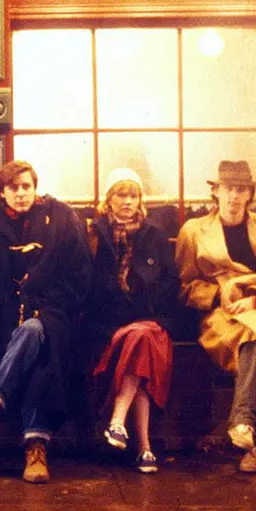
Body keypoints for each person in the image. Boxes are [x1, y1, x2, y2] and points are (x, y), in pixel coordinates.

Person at [0, 159, 91, 484]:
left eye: (26, 187)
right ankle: (36, 447)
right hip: (6, 317)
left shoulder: (60, 218)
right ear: (3, 192)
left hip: (56, 313)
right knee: (34, 347)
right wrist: (8, 308)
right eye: (13, 188)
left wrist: (43, 302)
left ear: (35, 187)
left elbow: (79, 276)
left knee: (36, 330)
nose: (20, 194)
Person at [175, 160, 256, 474]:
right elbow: (184, 286)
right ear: (215, 192)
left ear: (249, 194)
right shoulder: (194, 230)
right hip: (219, 314)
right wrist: (219, 295)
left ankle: (243, 424)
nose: (233, 196)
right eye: (227, 188)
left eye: (240, 189)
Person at [85, 168, 180, 474]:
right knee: (140, 355)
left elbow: (170, 280)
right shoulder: (95, 236)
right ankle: (145, 449)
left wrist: (145, 304)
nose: (127, 201)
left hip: (151, 320)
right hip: (110, 326)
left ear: (141, 200)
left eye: (133, 195)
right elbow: (88, 285)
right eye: (120, 195)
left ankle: (117, 421)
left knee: (140, 337)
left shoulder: (153, 234)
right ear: (108, 200)